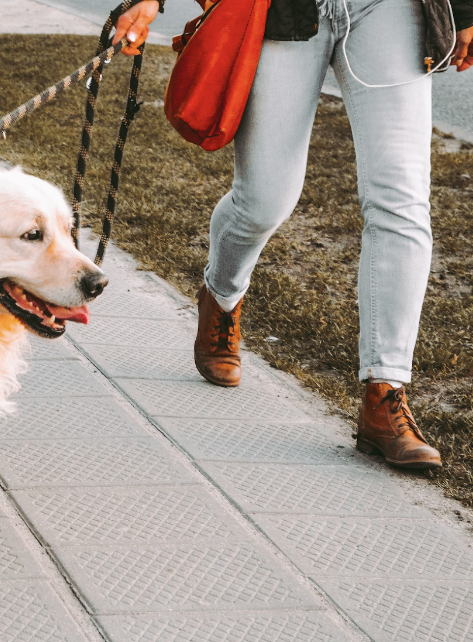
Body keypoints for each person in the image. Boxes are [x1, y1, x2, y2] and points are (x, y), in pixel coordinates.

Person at [113, 0, 473, 469]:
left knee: (401, 202)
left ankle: (385, 393)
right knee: (264, 200)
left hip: (390, 9)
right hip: (287, 9)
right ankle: (221, 295)